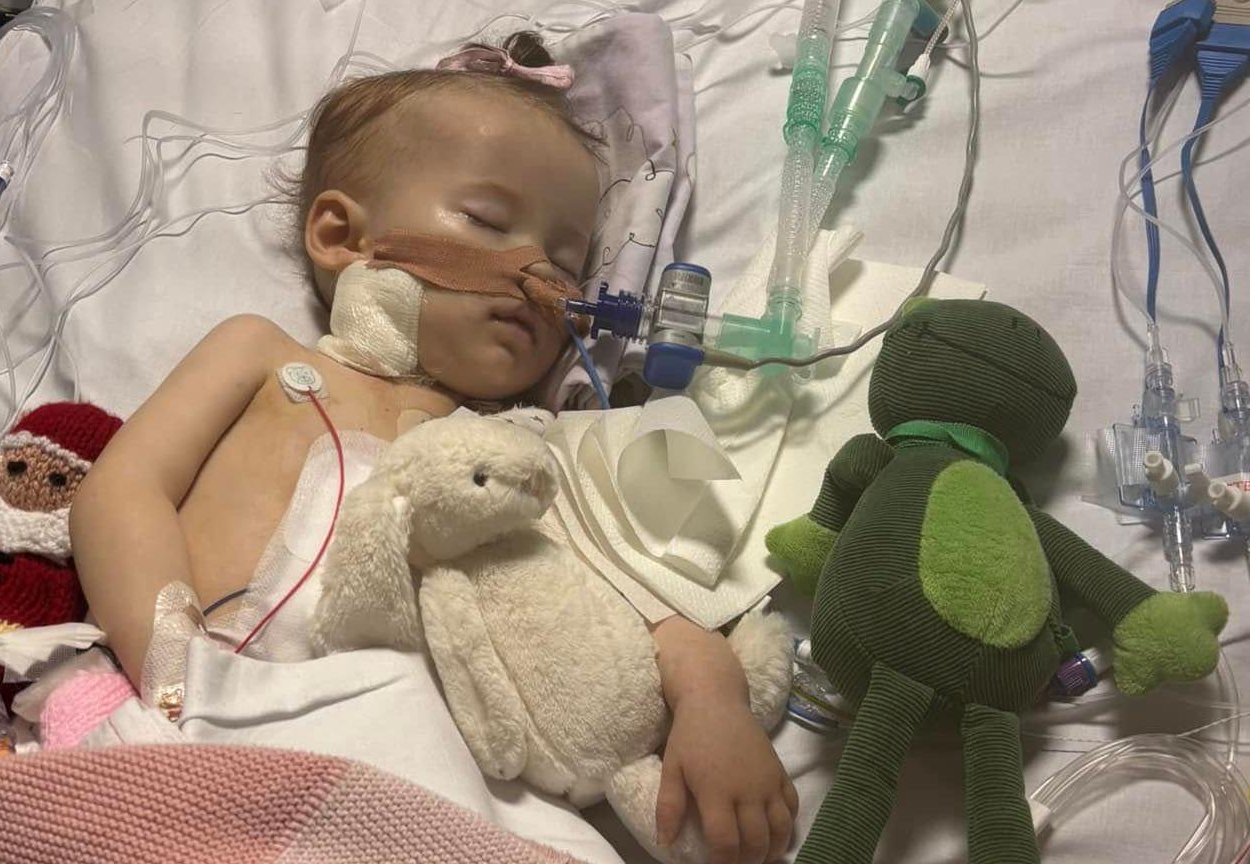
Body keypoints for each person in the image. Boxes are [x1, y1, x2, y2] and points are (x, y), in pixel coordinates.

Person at [70, 32, 797, 864]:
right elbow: (123, 490)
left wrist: (713, 706)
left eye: (567, 263)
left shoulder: (530, 450)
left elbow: (643, 602)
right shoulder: (262, 355)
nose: (538, 277)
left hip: (417, 777)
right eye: (488, 221)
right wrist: (176, 672)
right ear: (343, 235)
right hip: (205, 721)